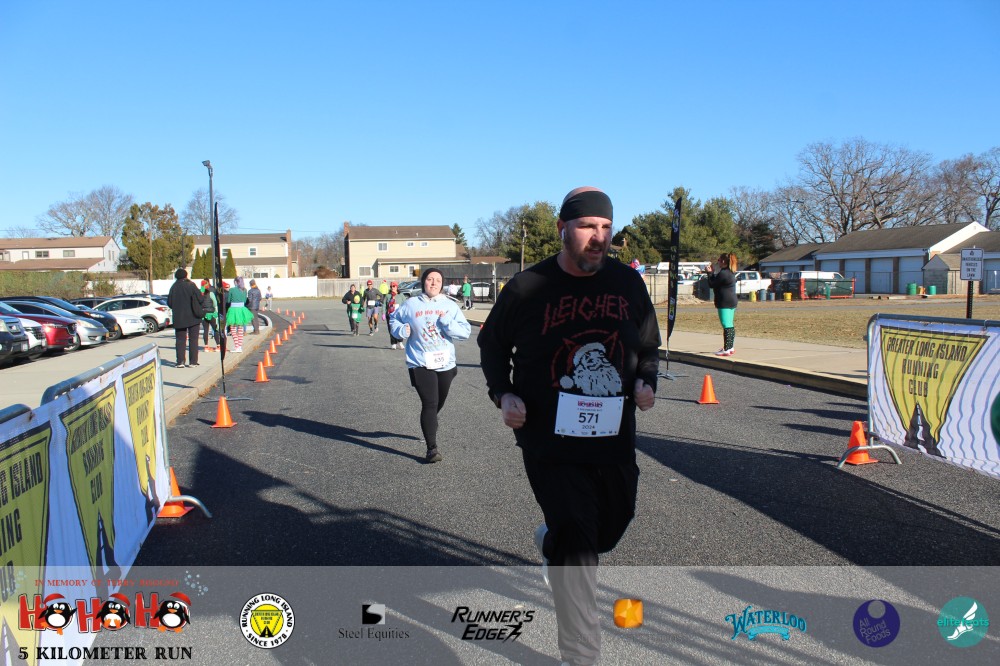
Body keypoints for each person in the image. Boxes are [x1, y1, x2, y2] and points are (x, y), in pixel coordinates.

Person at [478, 187, 660, 666]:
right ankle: (581, 655)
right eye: (587, 227)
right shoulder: (528, 287)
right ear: (562, 228)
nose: (599, 237)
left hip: (613, 437)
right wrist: (504, 394)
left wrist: (646, 380)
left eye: (606, 227)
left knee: (611, 526)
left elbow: (647, 344)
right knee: (579, 544)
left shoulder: (627, 283)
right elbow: (492, 346)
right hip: (548, 440)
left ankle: (551, 541)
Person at [390, 267, 471, 463]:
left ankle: (430, 423)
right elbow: (394, 320)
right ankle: (432, 449)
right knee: (430, 403)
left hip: (446, 364)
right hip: (420, 362)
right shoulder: (411, 304)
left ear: (442, 284)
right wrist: (401, 330)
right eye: (429, 279)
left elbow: (465, 332)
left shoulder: (450, 305)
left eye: (438, 280)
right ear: (423, 282)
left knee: (437, 403)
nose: (433, 283)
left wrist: (448, 323)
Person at [167, 269, 205, 368]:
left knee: (180, 340)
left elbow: (169, 303)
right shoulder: (191, 285)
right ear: (186, 275)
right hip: (193, 316)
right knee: (193, 340)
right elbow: (201, 299)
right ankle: (193, 362)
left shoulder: (173, 287)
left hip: (179, 318)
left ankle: (180, 362)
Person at [705, 252, 738, 356]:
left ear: (723, 261)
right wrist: (712, 273)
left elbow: (712, 284)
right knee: (730, 324)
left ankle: (727, 349)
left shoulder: (723, 273)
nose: (718, 262)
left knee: (726, 325)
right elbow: (717, 282)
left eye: (719, 260)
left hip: (724, 302)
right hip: (731, 301)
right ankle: (730, 347)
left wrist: (709, 273)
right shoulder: (730, 272)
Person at [225, 277, 254, 352]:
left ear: (235, 282)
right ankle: (239, 346)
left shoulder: (231, 290)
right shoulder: (245, 290)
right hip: (242, 309)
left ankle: (236, 346)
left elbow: (228, 300)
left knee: (233, 328)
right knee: (240, 328)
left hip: (233, 309)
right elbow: (244, 300)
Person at [200, 280, 222, 352]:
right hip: (211, 313)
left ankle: (206, 346)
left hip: (203, 314)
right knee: (215, 329)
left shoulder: (199, 294)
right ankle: (218, 345)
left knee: (205, 330)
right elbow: (215, 303)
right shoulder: (211, 293)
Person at [384, 281, 406, 349]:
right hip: (390, 315)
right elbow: (384, 305)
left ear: (396, 287)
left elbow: (405, 304)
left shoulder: (401, 295)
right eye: (391, 286)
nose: (392, 288)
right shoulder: (388, 296)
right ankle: (393, 343)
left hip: (399, 315)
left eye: (394, 286)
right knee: (391, 329)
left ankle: (400, 342)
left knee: (399, 328)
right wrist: (383, 313)